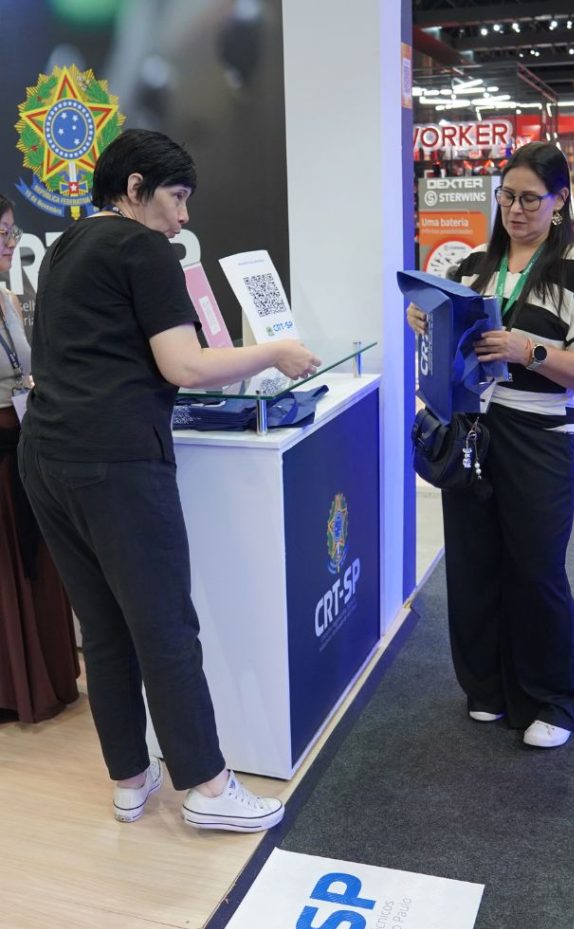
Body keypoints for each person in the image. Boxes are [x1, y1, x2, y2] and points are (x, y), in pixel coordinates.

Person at [18, 129, 321, 829]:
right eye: (176, 198)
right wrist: (273, 352)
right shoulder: (143, 248)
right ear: (135, 188)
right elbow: (184, 365)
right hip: (116, 463)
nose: (182, 219)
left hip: (48, 457)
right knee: (164, 628)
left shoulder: (65, 245)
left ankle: (131, 779)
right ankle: (209, 789)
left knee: (103, 629)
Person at [406, 141, 574, 748]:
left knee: (536, 568)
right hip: (472, 429)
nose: (516, 210)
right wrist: (426, 323)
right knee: (473, 563)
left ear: (560, 200)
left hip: (540, 436)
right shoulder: (474, 264)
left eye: (530, 199)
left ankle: (552, 700)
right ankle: (486, 686)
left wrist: (531, 350)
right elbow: (448, 347)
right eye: (507, 197)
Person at [0, 195, 80, 723]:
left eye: (13, 232)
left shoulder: (8, 297)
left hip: (24, 448)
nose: (12, 244)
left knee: (39, 565)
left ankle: (48, 678)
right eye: (3, 234)